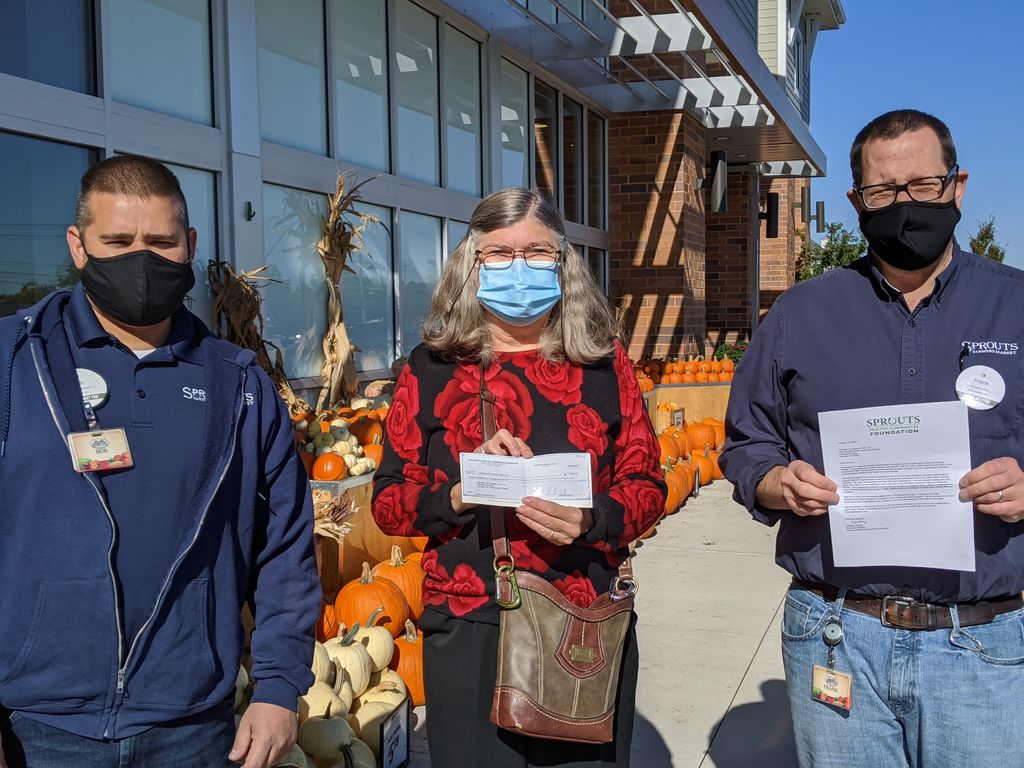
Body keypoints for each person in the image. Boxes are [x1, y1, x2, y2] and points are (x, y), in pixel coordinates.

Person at [720, 109, 1024, 767]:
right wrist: (775, 482)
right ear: (858, 200)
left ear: (958, 187)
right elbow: (747, 441)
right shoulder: (802, 314)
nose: (904, 205)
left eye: (922, 185)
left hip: (983, 643)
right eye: (884, 192)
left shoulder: (1016, 306)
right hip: (837, 633)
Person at [0, 155, 320, 768]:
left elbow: (285, 549)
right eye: (116, 241)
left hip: (192, 724)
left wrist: (279, 688)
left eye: (160, 242)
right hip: (36, 725)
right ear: (78, 246)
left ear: (189, 245)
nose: (139, 259)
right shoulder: (16, 364)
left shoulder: (240, 386)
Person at [372, 187, 665, 767]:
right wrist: (458, 491)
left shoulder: (604, 365)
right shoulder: (430, 368)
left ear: (563, 264)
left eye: (536, 253)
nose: (519, 266)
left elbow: (648, 481)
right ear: (471, 264)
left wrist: (594, 517)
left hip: (581, 620)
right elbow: (388, 502)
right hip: (470, 620)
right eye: (500, 254)